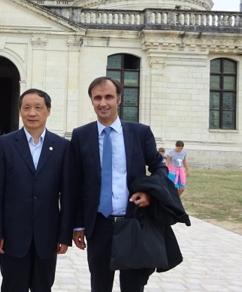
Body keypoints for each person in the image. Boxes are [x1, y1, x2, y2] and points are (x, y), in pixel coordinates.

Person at [69, 76, 168, 292]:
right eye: (97, 98)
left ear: (119, 99)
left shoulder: (140, 133)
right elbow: (76, 184)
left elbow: (160, 168)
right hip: (99, 224)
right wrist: (77, 225)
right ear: (92, 101)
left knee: (133, 287)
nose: (103, 103)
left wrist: (149, 193)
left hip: (133, 222)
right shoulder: (81, 136)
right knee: (100, 286)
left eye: (108, 97)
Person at [0, 88, 73, 292]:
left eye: (38, 108)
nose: (32, 113)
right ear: (20, 111)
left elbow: (68, 195)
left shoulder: (62, 146)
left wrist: (64, 234)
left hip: (48, 236)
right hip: (12, 235)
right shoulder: (4, 144)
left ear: (48, 111)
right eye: (26, 108)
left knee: (43, 287)